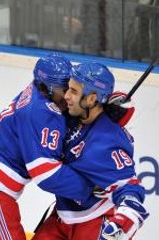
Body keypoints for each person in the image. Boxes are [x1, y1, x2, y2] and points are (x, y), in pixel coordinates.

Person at [0, 53, 98, 240]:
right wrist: (89, 190)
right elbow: (46, 174)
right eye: (64, 88)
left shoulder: (34, 91)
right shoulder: (44, 113)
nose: (67, 95)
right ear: (48, 88)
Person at [32, 62, 149, 240]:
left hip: (93, 221)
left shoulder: (108, 142)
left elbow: (129, 188)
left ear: (92, 99)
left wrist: (125, 221)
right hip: (61, 216)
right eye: (68, 88)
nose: (66, 95)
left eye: (74, 91)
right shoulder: (69, 116)